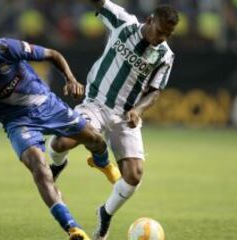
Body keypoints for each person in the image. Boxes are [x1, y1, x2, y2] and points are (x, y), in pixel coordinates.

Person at [0, 27, 119, 240]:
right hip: (18, 123)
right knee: (40, 169)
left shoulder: (7, 47)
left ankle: (101, 163)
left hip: (46, 104)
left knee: (96, 140)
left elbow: (53, 55)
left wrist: (70, 79)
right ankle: (73, 228)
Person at [49, 1, 179, 239]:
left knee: (134, 175)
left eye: (168, 35)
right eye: (160, 32)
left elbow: (155, 91)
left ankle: (105, 213)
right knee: (59, 143)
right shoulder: (123, 22)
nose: (162, 38)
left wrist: (138, 110)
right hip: (96, 104)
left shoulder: (165, 55)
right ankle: (57, 164)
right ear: (149, 21)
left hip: (125, 115)